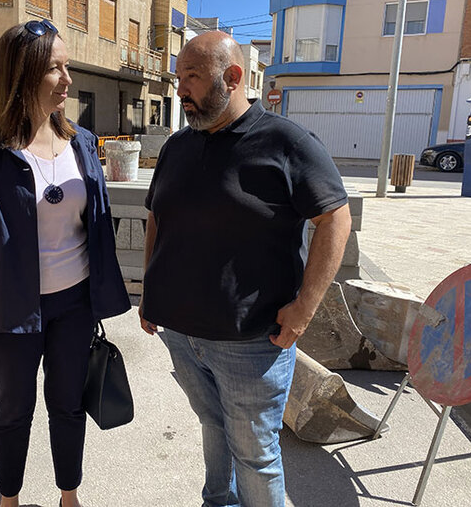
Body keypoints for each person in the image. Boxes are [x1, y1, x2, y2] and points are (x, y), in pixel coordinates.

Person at [139, 31, 352, 507]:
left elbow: (335, 217)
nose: (180, 90)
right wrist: (152, 291)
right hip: (182, 334)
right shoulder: (178, 146)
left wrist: (303, 310)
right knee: (213, 426)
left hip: (251, 343)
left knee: (255, 455)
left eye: (191, 77)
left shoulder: (286, 141)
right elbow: (157, 215)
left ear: (232, 77)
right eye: (178, 77)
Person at [0, 19, 130, 507]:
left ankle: (70, 494)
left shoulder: (83, 143)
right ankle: (9, 498)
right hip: (8, 307)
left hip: (74, 303)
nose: (67, 79)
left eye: (68, 67)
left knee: (67, 404)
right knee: (13, 408)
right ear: (22, 75)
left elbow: (98, 223)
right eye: (54, 69)